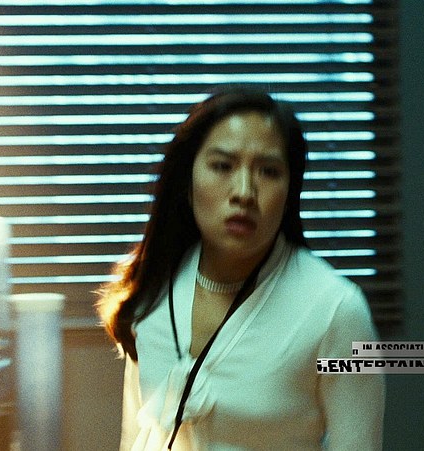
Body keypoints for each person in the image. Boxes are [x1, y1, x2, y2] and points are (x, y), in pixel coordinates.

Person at [96, 86, 384, 450]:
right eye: (222, 166)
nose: (244, 192)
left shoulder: (336, 309)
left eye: (268, 171)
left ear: (290, 191)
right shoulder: (155, 287)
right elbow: (133, 440)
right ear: (187, 181)